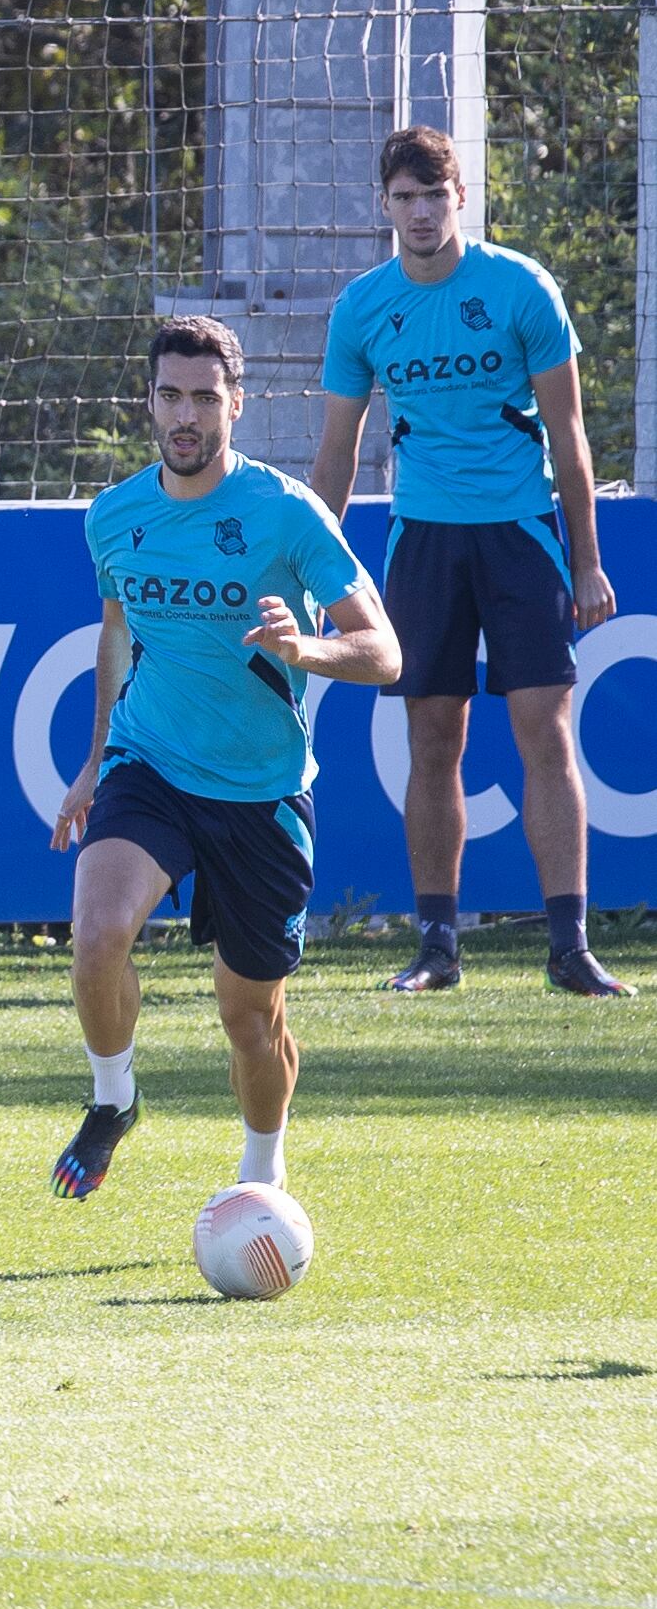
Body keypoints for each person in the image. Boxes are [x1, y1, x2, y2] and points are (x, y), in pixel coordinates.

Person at [50, 316, 401, 1203]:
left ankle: (261, 1181)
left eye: (206, 398)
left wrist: (307, 651)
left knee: (252, 1021)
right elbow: (118, 638)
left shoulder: (287, 513)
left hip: (261, 791)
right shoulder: (114, 515)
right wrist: (94, 762)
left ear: (236, 405)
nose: (186, 415)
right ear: (150, 402)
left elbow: (385, 651)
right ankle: (112, 1099)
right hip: (150, 764)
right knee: (97, 935)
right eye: (171, 395)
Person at [310, 124, 632, 997]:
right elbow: (336, 456)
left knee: (545, 731)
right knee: (432, 739)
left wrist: (589, 560)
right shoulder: (363, 308)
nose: (420, 213)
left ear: (462, 198)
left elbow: (570, 437)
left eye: (435, 195)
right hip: (423, 540)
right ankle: (437, 942)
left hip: (521, 535)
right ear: (386, 205)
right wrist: (317, 571)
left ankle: (569, 945)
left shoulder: (521, 287)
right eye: (404, 198)